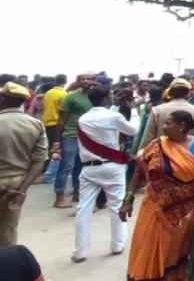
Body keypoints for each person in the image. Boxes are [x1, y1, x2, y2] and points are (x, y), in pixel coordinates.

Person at [121, 109, 194, 281]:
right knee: (147, 243)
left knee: (175, 248)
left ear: (182, 126)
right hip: (154, 207)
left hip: (184, 210)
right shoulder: (158, 144)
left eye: (168, 123)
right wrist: (128, 199)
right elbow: (139, 172)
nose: (163, 127)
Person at [72, 87, 138, 262]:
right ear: (104, 99)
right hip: (112, 167)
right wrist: (133, 110)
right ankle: (117, 245)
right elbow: (133, 130)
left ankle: (80, 252)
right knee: (116, 206)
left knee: (84, 208)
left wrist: (115, 104)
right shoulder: (113, 116)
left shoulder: (83, 119)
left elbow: (106, 116)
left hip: (88, 168)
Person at [0, 82, 47, 248]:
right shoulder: (35, 124)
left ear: (2, 99)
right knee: (8, 231)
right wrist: (21, 190)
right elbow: (39, 161)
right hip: (18, 183)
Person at [50, 73, 97, 208]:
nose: (86, 81)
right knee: (66, 167)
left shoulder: (96, 97)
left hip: (88, 137)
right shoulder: (70, 97)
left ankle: (77, 193)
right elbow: (61, 120)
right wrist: (57, 141)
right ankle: (59, 197)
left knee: (80, 166)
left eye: (90, 79)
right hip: (71, 135)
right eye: (83, 79)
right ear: (78, 81)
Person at [41, 74, 67, 183]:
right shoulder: (64, 94)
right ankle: (50, 175)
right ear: (65, 82)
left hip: (47, 124)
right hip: (58, 124)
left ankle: (45, 172)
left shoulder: (48, 93)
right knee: (57, 151)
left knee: (49, 149)